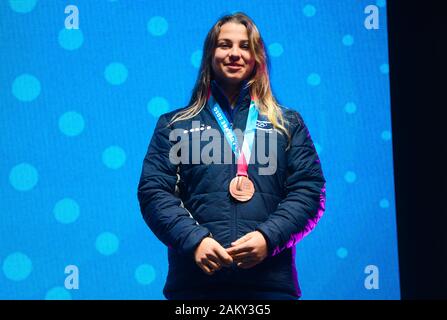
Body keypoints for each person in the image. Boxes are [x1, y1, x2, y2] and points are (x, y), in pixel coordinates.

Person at [137, 12, 326, 300]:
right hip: (195, 287)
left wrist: (268, 238)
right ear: (210, 54)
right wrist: (194, 241)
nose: (235, 53)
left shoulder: (288, 124)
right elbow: (154, 192)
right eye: (225, 44)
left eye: (245, 45)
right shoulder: (175, 125)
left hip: (270, 287)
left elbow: (309, 192)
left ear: (258, 56)